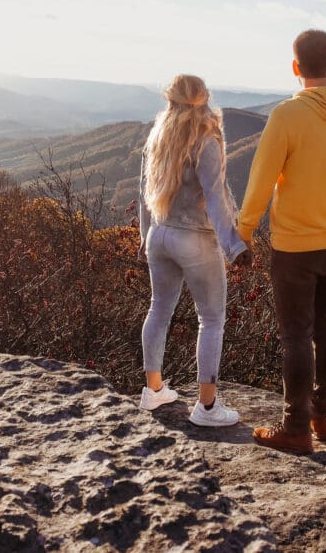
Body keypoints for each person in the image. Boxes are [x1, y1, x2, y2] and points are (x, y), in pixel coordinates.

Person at [238, 30, 326, 454]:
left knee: (296, 336)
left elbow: (261, 180)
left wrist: (243, 232)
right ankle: (322, 416)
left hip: (294, 243)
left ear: (296, 67)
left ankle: (295, 429)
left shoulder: (287, 115)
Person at [137, 74, 250, 426]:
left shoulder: (157, 136)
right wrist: (235, 246)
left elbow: (144, 194)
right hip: (194, 238)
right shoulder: (206, 139)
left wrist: (145, 238)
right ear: (205, 99)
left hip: (159, 233)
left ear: (170, 100)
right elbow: (216, 198)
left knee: (159, 309)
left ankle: (153, 391)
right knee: (211, 318)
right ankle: (207, 407)